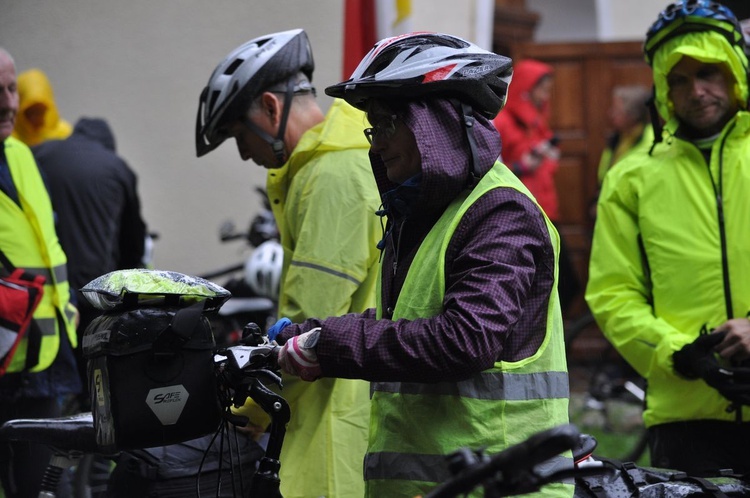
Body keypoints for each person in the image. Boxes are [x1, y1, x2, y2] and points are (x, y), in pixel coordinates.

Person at [275, 33, 572, 498]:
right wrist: (316, 334)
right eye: (374, 127)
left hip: (496, 486)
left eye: (389, 123)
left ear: (438, 123)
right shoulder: (426, 210)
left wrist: (332, 344)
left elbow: (464, 340)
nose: (377, 145)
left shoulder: (499, 212)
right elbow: (412, 325)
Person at [195, 29, 382, 498]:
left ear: (271, 110)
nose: (242, 152)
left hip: (333, 430)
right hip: (348, 406)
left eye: (239, 133)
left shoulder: (330, 178)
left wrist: (249, 412)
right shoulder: (337, 164)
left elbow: (309, 321)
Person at [586, 0, 750, 475]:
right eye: (678, 79)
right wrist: (679, 353)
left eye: (708, 73)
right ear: (662, 89)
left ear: (735, 72)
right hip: (686, 420)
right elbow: (612, 292)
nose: (696, 91)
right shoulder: (631, 179)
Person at [0, 47, 81, 498]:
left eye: (12, 88)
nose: (10, 103)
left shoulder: (19, 153)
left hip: (40, 354)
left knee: (44, 483)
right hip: (9, 356)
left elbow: (45, 247)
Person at [33, 117, 148, 401]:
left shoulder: (41, 154)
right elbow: (133, 242)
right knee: (93, 381)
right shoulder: (118, 168)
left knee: (44, 381)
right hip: (93, 295)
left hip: (46, 291)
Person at [492, 59, 580, 314]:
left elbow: (546, 165)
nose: (546, 95)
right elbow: (495, 169)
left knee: (562, 284)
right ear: (526, 89)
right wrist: (523, 165)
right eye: (543, 89)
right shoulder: (504, 121)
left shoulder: (538, 120)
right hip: (522, 212)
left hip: (546, 210)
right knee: (546, 285)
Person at [596, 84, 654, 185]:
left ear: (633, 115)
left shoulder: (652, 140)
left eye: (617, 110)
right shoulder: (617, 137)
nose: (611, 114)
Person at [12, 68, 72, 147]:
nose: (37, 118)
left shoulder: (64, 134)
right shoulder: (9, 138)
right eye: (31, 112)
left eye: (41, 111)